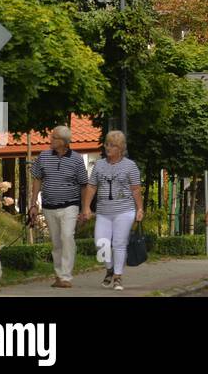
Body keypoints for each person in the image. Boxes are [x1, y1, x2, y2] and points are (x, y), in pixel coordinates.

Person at [79, 130, 143, 291]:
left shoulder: (130, 166)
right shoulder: (99, 165)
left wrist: (140, 208)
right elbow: (91, 187)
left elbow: (136, 189)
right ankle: (110, 269)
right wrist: (86, 207)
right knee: (101, 243)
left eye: (112, 145)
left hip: (124, 210)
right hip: (103, 211)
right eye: (107, 144)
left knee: (119, 243)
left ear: (120, 148)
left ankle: (118, 277)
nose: (108, 147)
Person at [29, 125, 88, 289]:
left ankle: (66, 276)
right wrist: (33, 204)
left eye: (54, 137)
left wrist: (84, 209)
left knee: (67, 236)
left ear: (63, 142)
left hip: (70, 205)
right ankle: (58, 275)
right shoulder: (43, 156)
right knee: (56, 242)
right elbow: (37, 179)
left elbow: (84, 185)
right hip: (49, 206)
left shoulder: (76, 159)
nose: (50, 140)